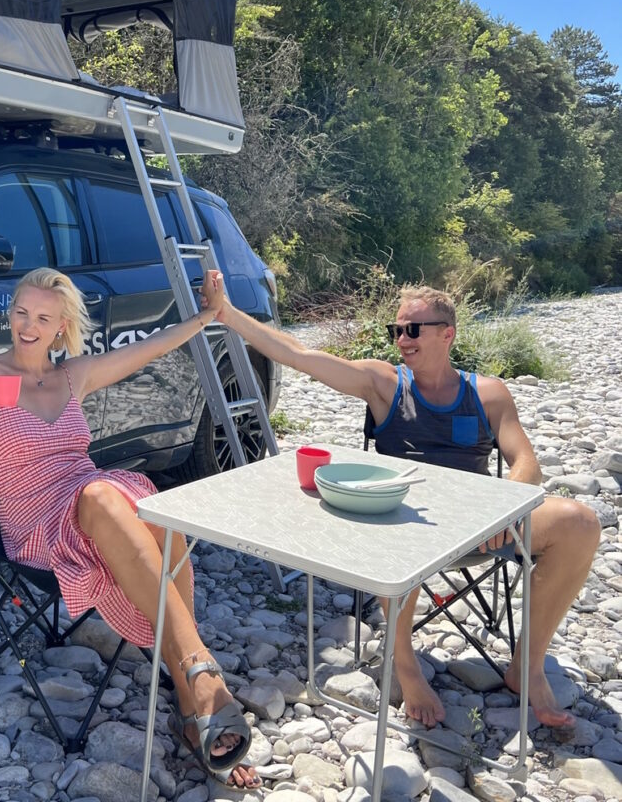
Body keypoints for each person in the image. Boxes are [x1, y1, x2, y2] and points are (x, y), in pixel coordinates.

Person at [204, 278, 600, 730]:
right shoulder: (384, 384)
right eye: (397, 330)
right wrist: (228, 314)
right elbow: (298, 354)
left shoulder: (488, 393)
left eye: (413, 330)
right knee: (396, 528)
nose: (402, 340)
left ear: (447, 334)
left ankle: (526, 665)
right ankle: (404, 662)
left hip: (479, 525)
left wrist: (504, 509)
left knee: (579, 522)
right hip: (401, 524)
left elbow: (526, 463)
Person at [0, 267, 261, 790]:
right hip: (36, 521)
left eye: (43, 318)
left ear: (61, 326)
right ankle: (200, 680)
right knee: (107, 496)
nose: (28, 327)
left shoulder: (71, 376)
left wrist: (206, 316)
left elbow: (148, 349)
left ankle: (191, 692)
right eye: (21, 313)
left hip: (91, 498)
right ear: (9, 315)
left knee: (156, 515)